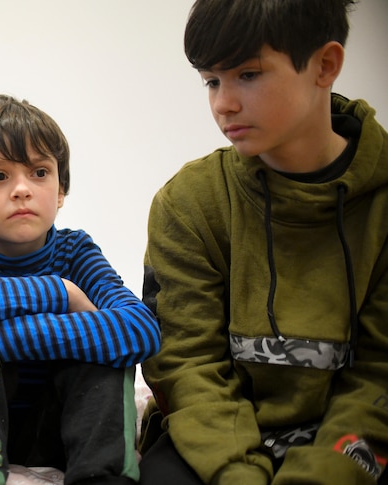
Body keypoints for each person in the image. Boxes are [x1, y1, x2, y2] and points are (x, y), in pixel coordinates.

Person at [138, 1, 388, 484]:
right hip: (218, 442)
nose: (223, 103)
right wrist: (238, 475)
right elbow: (187, 365)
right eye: (212, 80)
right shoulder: (188, 203)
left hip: (345, 443)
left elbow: (380, 375)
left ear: (325, 65)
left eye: (247, 75)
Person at [0, 94, 161, 485]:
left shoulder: (76, 250)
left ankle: (102, 479)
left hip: (57, 433)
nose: (21, 189)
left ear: (61, 190)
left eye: (38, 173)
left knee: (109, 348)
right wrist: (61, 294)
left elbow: (141, 329)